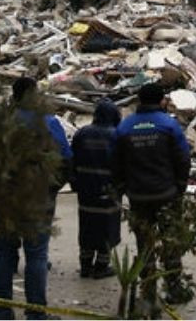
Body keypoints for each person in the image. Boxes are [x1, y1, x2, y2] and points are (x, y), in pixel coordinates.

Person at [0, 77, 73, 320]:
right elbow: (66, 159)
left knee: (4, 254)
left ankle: (1, 313)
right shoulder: (48, 123)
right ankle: (36, 314)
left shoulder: (2, 123)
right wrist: (51, 188)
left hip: (4, 198)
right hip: (37, 200)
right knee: (36, 255)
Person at [113, 83, 192, 305]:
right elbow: (183, 158)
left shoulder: (125, 127)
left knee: (144, 244)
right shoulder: (169, 125)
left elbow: (116, 162)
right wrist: (180, 187)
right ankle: (174, 288)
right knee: (171, 242)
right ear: (161, 101)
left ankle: (148, 292)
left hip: (138, 196)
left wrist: (123, 188)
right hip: (167, 195)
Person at [71, 99, 122, 279]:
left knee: (86, 227)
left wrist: (74, 182)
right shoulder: (117, 135)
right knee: (107, 229)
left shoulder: (82, 133)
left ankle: (85, 266)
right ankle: (101, 266)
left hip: (85, 191)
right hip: (109, 191)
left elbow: (72, 160)